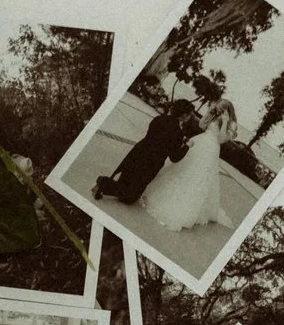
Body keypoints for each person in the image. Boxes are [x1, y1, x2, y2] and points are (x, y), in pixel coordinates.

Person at [141, 97, 238, 232]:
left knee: (198, 176)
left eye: (222, 109)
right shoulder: (214, 115)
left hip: (211, 149)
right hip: (200, 142)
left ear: (228, 110)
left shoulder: (232, 124)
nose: (219, 111)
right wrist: (209, 113)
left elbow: (221, 139)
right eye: (218, 108)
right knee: (183, 167)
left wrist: (226, 121)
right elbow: (202, 126)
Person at [92, 97, 199, 204]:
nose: (190, 117)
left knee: (125, 180)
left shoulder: (159, 119)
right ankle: (103, 183)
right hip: (151, 163)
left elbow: (157, 136)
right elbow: (174, 157)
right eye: (190, 115)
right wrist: (187, 146)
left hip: (138, 152)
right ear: (184, 115)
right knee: (129, 198)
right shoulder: (178, 133)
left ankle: (105, 184)